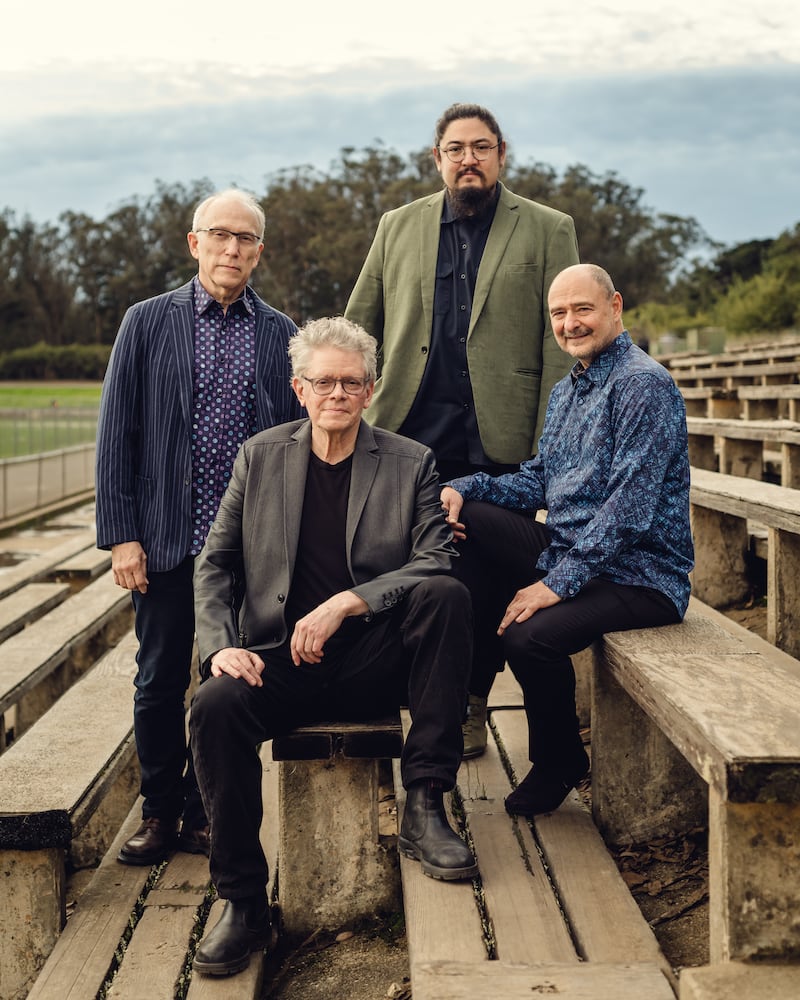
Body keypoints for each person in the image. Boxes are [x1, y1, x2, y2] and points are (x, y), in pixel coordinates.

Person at [189, 316, 477, 977]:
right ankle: (241, 902)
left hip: (377, 657)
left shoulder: (410, 463)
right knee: (213, 705)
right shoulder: (259, 456)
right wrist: (218, 649)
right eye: (324, 381)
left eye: (351, 382)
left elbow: (436, 559)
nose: (337, 394)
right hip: (279, 658)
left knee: (446, 596)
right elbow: (215, 565)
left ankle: (426, 804)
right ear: (299, 388)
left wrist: (351, 600)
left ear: (370, 390)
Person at [345, 101, 580, 755]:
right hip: (407, 437)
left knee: (477, 580)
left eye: (481, 147)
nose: (468, 158)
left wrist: (551, 452)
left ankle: (469, 703)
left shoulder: (547, 228)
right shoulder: (397, 226)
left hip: (501, 445)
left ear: (501, 153)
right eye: (455, 148)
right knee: (409, 573)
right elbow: (360, 324)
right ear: (437, 158)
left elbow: (559, 344)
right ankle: (410, 694)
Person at [95, 188, 302, 866]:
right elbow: (116, 435)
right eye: (220, 236)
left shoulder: (280, 335)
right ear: (195, 243)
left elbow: (295, 443)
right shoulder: (146, 323)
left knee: (226, 685)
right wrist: (123, 535)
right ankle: (159, 810)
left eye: (245, 239)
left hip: (245, 551)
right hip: (162, 541)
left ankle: (206, 811)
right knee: (157, 679)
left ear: (259, 253)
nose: (232, 249)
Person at [440, 264, 694, 812]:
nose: (571, 323)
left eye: (583, 309)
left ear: (615, 307)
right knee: (469, 519)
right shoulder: (568, 389)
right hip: (573, 548)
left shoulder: (642, 386)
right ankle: (467, 684)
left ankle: (558, 761)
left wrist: (553, 585)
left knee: (530, 638)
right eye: (559, 313)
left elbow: (629, 511)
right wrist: (461, 485)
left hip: (641, 573)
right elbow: (540, 477)